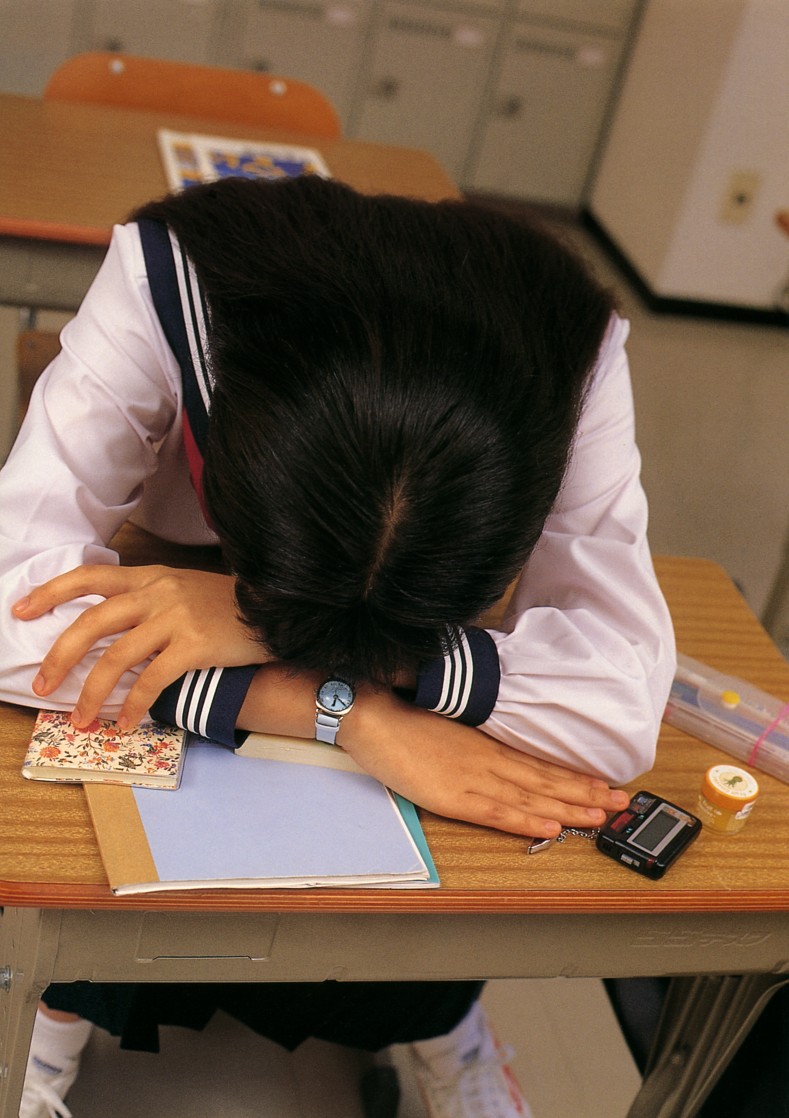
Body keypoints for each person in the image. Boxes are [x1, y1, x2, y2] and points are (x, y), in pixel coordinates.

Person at [0, 174, 675, 1118]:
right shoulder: (169, 278)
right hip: (183, 596)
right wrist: (350, 713)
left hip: (247, 625)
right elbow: (10, 608)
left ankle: (446, 1025)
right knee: (103, 810)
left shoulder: (573, 349)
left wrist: (276, 633)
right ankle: (53, 1025)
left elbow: (621, 707)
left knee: (472, 817)